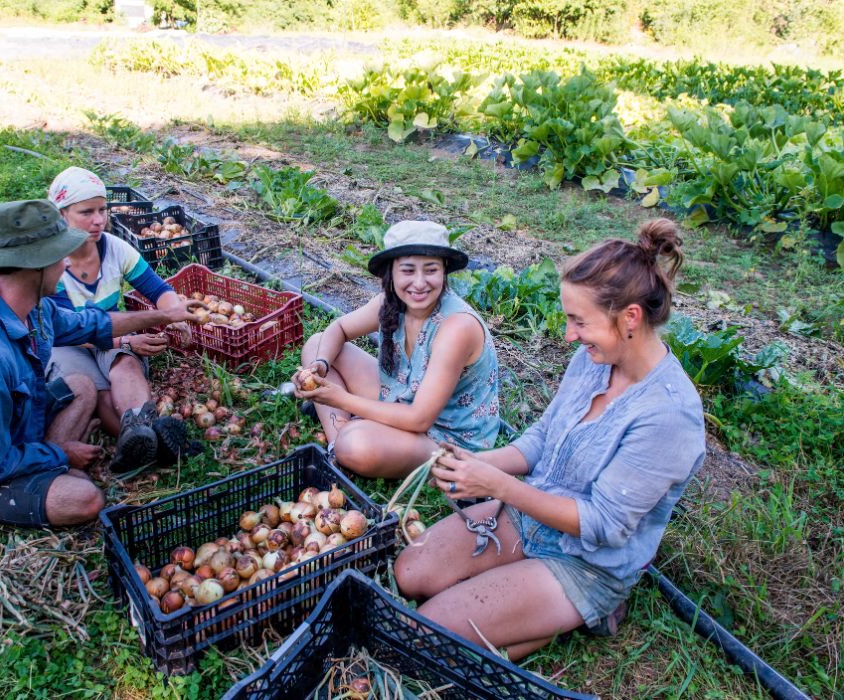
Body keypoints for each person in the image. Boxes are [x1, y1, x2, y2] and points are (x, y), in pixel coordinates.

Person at [394, 218, 706, 659]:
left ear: (630, 318)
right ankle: (522, 606)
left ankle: (573, 607)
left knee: (426, 629)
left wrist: (499, 487)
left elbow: (603, 525)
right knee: (411, 573)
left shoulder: (668, 415)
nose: (569, 335)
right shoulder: (594, 357)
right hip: (533, 514)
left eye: (579, 321)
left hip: (585, 561)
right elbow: (543, 438)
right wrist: (478, 462)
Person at [0, 199, 202, 528]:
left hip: (16, 430)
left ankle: (46, 463)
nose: (67, 264)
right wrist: (63, 454)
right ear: (33, 266)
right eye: (59, 256)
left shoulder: (34, 310)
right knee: (85, 498)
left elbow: (94, 325)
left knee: (80, 385)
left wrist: (166, 313)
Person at [291, 220, 500, 479]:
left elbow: (419, 419)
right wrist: (320, 366)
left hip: (445, 435)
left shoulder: (456, 327)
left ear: (444, 272)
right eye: (408, 270)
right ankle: (339, 443)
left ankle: (351, 439)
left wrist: (339, 398)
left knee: (357, 445)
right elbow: (339, 330)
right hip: (404, 395)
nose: (420, 283)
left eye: (431, 270)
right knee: (317, 345)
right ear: (392, 273)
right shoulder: (391, 303)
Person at [47, 167, 190, 471]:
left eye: (102, 210)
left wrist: (175, 312)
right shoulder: (52, 266)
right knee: (97, 392)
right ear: (62, 215)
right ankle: (151, 446)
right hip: (69, 344)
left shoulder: (114, 248)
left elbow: (158, 289)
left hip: (109, 333)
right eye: (86, 212)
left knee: (124, 363)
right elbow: (72, 332)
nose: (98, 220)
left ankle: (141, 428)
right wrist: (126, 339)